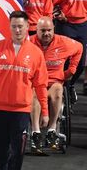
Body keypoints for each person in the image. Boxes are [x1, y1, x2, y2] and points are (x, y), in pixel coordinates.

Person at [0, 11, 49, 170]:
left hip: (21, 111)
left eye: (21, 26)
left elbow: (41, 84)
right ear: (9, 27)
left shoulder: (35, 53)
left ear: (28, 27)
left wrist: (45, 110)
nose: (17, 30)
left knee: (18, 151)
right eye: (14, 26)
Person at [29, 17, 82, 151]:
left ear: (53, 29)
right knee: (35, 92)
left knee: (58, 89)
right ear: (36, 30)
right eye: (43, 31)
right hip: (35, 84)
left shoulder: (64, 42)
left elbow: (79, 47)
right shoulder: (28, 43)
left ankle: (52, 129)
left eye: (49, 30)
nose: (46, 33)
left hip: (54, 82)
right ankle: (35, 131)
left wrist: (72, 69)